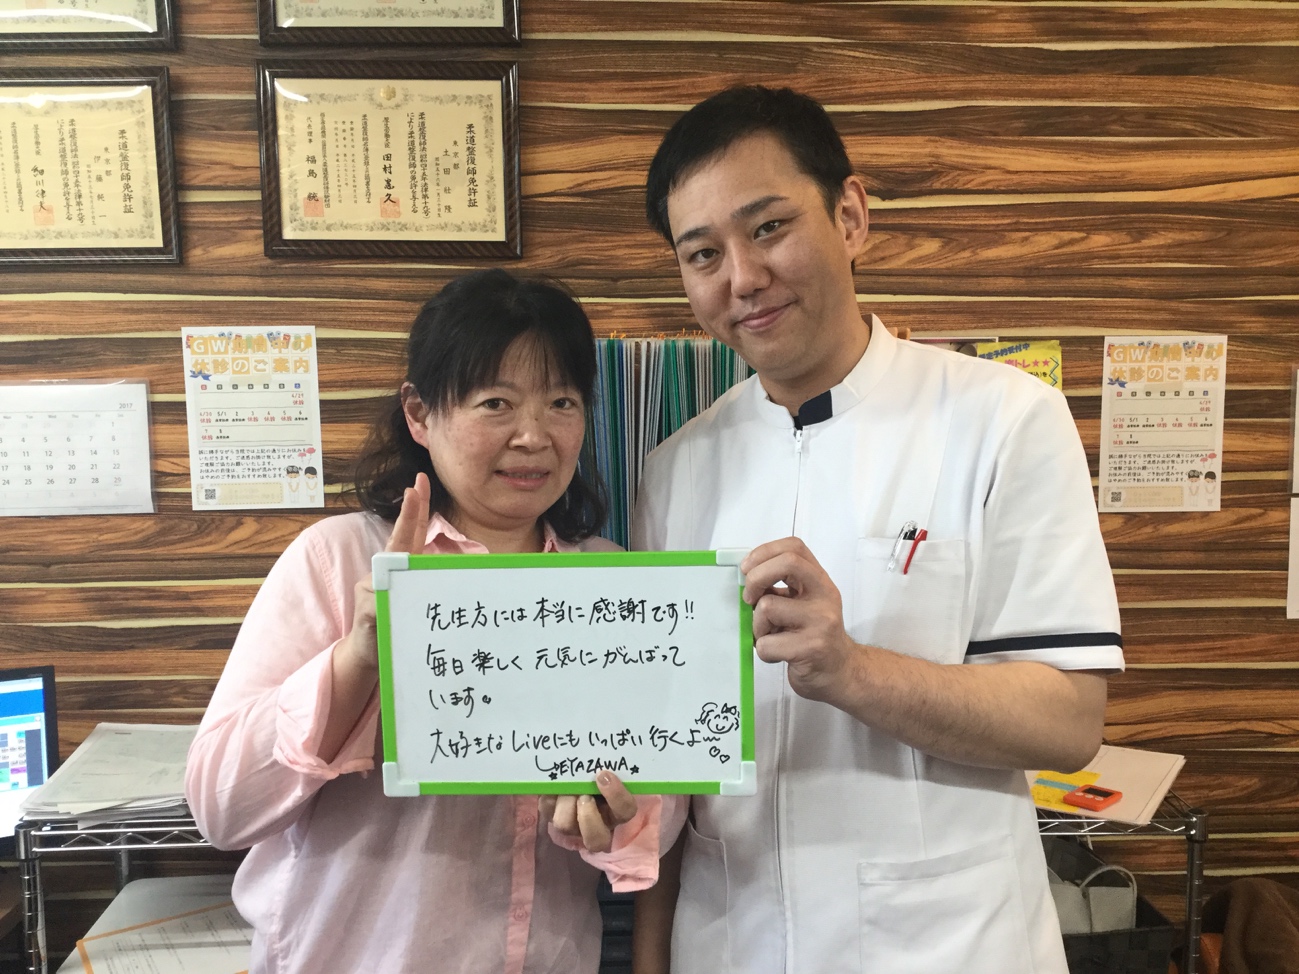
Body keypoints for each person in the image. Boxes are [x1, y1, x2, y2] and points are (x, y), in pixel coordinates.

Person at [630, 86, 1124, 974]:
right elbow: (670, 760)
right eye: (702, 254)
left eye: (768, 228)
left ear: (849, 216)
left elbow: (1067, 722)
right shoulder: (675, 469)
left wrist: (853, 671)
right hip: (731, 941)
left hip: (946, 945)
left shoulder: (1001, 419)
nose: (741, 277)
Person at [186, 269, 681, 974]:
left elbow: (660, 820)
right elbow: (221, 808)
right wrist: (358, 658)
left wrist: (618, 811)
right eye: (495, 403)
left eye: (562, 402)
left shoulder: (610, 582)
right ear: (419, 414)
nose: (533, 436)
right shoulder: (338, 559)